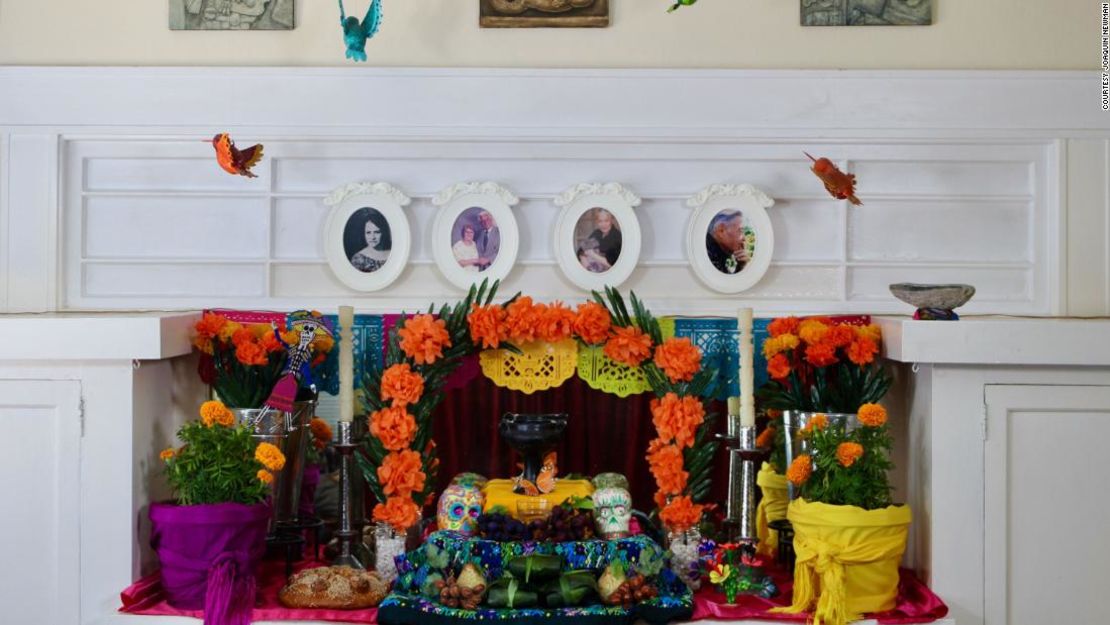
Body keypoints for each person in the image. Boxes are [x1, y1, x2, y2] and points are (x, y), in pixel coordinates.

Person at [344, 207, 392, 273]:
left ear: (383, 232)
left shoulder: (393, 252)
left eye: (377, 232)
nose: (372, 237)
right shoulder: (358, 259)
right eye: (368, 233)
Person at [576, 208, 622, 273]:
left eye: (606, 221)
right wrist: (584, 260)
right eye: (600, 221)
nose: (603, 224)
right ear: (597, 222)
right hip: (590, 269)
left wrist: (593, 255)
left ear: (611, 220)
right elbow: (580, 251)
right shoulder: (597, 233)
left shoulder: (617, 236)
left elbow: (613, 264)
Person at [706, 210, 749, 275]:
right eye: (740, 231)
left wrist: (740, 267)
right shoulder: (709, 260)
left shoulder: (715, 256)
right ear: (721, 231)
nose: (744, 239)